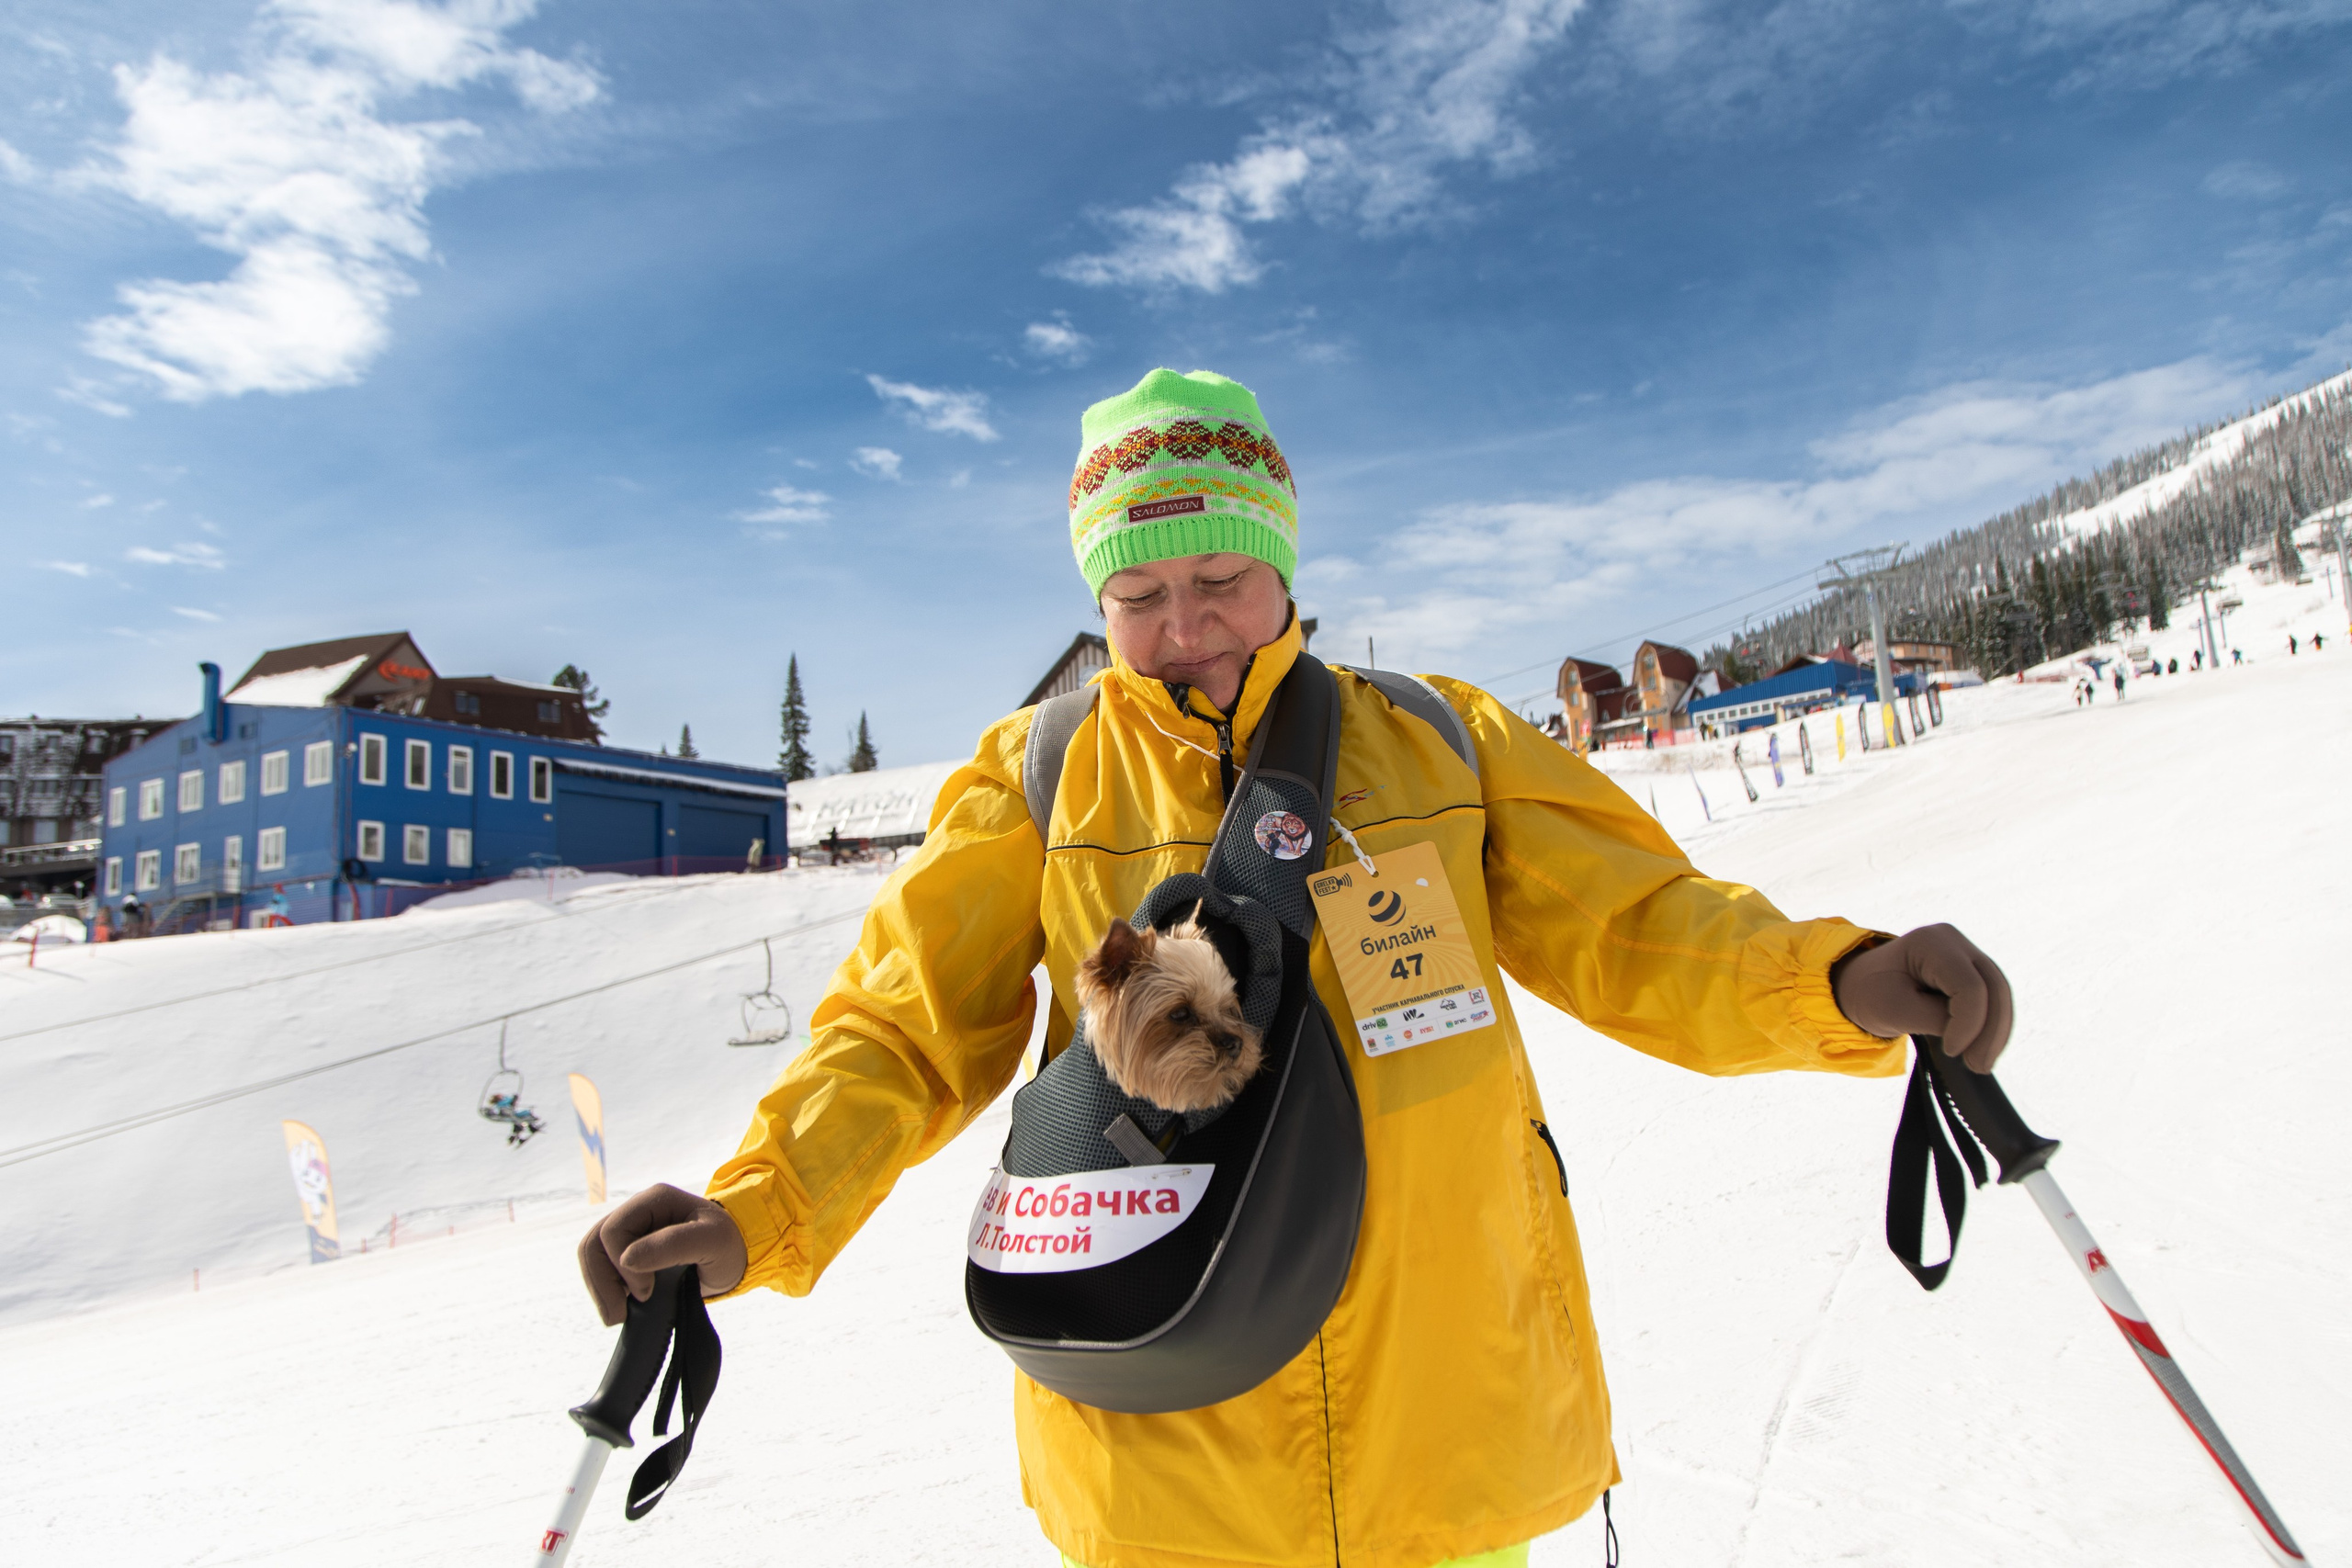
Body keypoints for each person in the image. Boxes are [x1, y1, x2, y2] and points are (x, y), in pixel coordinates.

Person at [577, 369, 2018, 1568]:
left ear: (1284, 567)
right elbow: (901, 1032)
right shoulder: (1037, 778)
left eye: (1219, 576)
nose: (1185, 624)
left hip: (1447, 1414)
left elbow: (1641, 922)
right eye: (1137, 593)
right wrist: (752, 1209)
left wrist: (1836, 980)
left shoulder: (1438, 738)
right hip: (1165, 1442)